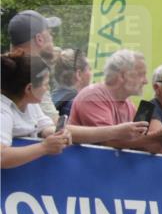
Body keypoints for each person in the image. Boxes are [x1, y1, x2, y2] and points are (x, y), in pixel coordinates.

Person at [1, 52, 147, 169]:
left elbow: (50, 129)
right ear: (29, 89)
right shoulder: (3, 111)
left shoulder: (32, 106)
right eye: (45, 84)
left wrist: (61, 134)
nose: (48, 89)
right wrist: (44, 147)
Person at [69, 49, 162, 152]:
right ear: (123, 76)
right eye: (141, 74)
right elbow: (109, 142)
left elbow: (141, 145)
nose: (146, 81)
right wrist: (157, 137)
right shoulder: (93, 95)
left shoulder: (129, 105)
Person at [8, 10, 61, 120]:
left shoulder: (9, 69)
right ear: (39, 39)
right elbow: (54, 124)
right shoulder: (32, 75)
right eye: (50, 33)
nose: (52, 38)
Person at [51, 48, 91, 117]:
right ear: (78, 74)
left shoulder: (51, 99)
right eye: (89, 69)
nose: (91, 73)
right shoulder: (79, 105)